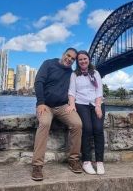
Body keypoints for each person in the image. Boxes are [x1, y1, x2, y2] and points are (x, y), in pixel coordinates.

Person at [31, 48, 83, 181]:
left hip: (63, 106)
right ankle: (37, 166)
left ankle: (73, 160)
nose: (69, 59)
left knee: (77, 124)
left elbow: (76, 90)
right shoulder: (48, 64)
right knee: (44, 123)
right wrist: (40, 102)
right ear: (63, 54)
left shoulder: (71, 74)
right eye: (68, 56)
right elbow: (38, 82)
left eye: (72, 59)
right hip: (46, 105)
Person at [68, 50, 105, 175]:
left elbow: (99, 90)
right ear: (77, 62)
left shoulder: (96, 73)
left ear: (89, 59)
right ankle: (86, 161)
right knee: (87, 129)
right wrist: (72, 105)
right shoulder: (74, 75)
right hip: (81, 104)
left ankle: (99, 162)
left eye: (85, 59)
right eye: (80, 60)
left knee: (98, 129)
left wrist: (98, 106)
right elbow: (72, 92)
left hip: (96, 104)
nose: (83, 61)